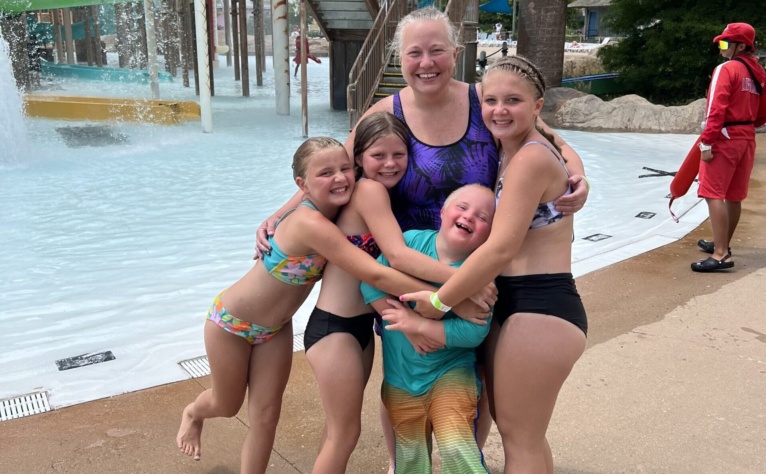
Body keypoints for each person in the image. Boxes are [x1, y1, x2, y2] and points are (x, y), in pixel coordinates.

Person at [255, 5, 590, 465]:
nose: (426, 62)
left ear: (455, 53)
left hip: (478, 268)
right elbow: (335, 171)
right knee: (404, 370)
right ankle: (405, 465)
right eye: (414, 53)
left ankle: (461, 462)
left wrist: (578, 177)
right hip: (407, 269)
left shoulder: (487, 101)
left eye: (436, 51)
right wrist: (284, 212)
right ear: (400, 57)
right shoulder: (385, 113)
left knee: (473, 374)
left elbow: (553, 142)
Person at [176, 137, 437, 474]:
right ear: (303, 185)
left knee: (266, 416)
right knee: (226, 405)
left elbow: (342, 186)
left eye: (345, 169)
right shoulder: (309, 223)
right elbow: (373, 272)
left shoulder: (337, 207)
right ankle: (194, 413)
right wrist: (447, 296)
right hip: (231, 322)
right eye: (326, 173)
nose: (339, 178)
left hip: (276, 327)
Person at [400, 56, 588, 473]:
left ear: (537, 106)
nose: (499, 110)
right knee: (524, 436)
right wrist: (579, 172)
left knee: (521, 440)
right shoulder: (511, 148)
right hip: (519, 302)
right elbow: (562, 146)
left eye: (513, 101)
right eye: (491, 100)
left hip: (542, 304)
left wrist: (441, 301)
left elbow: (501, 248)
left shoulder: (530, 158)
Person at [304, 113, 493, 473]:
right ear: (358, 158)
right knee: (342, 435)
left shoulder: (365, 193)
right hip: (336, 325)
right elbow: (394, 259)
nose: (390, 164)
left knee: (339, 432)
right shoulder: (370, 190)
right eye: (378, 155)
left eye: (399, 154)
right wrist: (462, 289)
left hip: (357, 324)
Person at [361, 184, 496, 474]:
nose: (469, 216)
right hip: (401, 377)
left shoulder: (481, 273)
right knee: (410, 458)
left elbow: (475, 330)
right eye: (462, 207)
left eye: (482, 217)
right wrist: (409, 328)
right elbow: (370, 283)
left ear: (490, 234)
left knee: (457, 448)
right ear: (443, 212)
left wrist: (422, 325)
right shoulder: (411, 243)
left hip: (451, 373)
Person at [693, 23, 766, 272]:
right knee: (734, 196)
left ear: (741, 46)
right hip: (747, 136)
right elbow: (762, 111)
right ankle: (722, 243)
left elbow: (716, 108)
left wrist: (707, 142)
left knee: (712, 193)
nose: (721, 47)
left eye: (725, 43)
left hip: (725, 136)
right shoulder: (757, 72)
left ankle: (721, 254)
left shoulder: (725, 69)